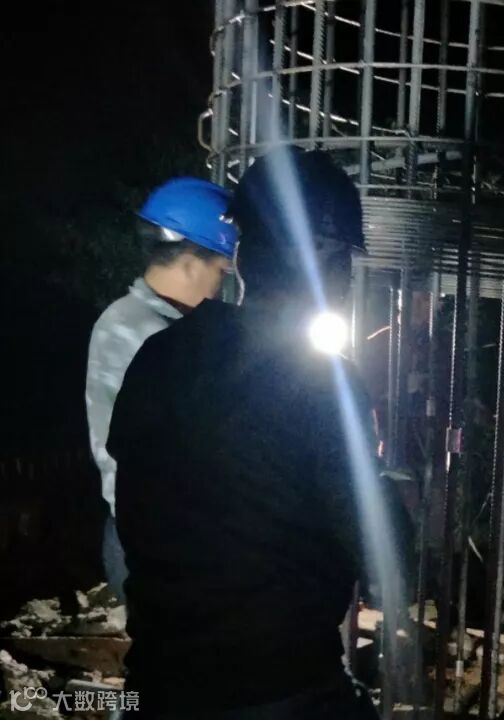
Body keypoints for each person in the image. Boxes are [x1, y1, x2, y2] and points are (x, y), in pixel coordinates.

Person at [107, 147, 382, 719]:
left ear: (245, 253)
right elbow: (379, 552)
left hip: (159, 683)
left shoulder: (158, 356)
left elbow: (132, 511)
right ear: (332, 265)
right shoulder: (324, 382)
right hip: (281, 687)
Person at [85, 177, 237, 603]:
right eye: (220, 270)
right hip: (158, 543)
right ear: (190, 263)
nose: (221, 286)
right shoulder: (138, 331)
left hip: (174, 538)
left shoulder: (171, 327)